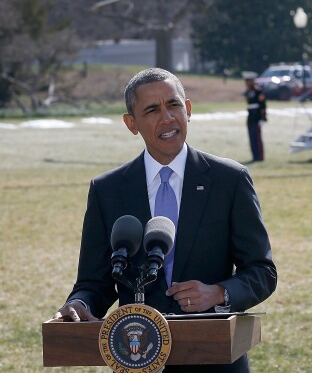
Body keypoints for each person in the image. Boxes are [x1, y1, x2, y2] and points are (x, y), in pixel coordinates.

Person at [53, 68, 277, 373]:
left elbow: (262, 271)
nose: (167, 118)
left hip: (216, 358)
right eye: (152, 110)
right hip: (137, 357)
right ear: (131, 123)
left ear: (188, 110)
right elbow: (94, 282)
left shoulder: (230, 180)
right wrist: (80, 304)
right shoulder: (107, 190)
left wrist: (220, 293)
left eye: (173, 105)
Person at [242, 71, 267, 162]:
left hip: (257, 117)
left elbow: (263, 106)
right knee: (251, 137)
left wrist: (263, 118)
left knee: (257, 138)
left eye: (248, 81)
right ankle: (254, 155)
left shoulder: (258, 91)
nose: (247, 83)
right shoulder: (248, 92)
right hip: (250, 117)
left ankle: (259, 157)